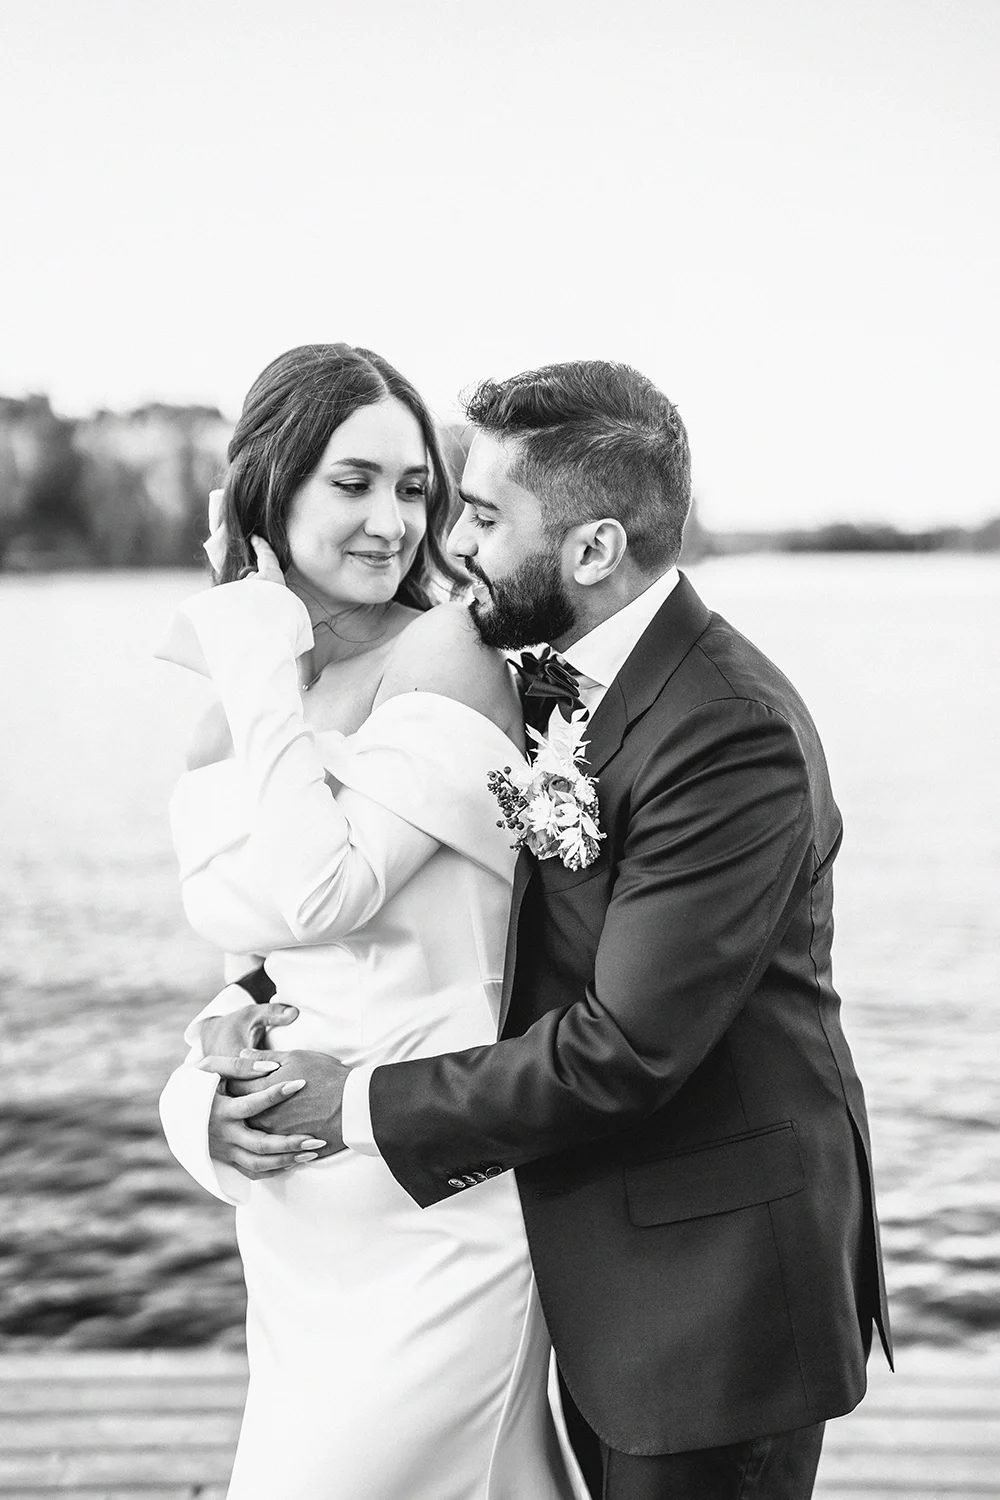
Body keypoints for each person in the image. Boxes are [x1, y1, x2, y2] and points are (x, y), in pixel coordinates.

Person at [222, 360, 894, 1500]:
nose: (453, 542)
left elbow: (624, 1049)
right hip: (595, 1279)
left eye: (481, 516)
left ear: (590, 553)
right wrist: (242, 1037)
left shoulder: (729, 733)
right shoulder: (557, 681)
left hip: (710, 1299)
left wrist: (357, 1101)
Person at [156, 343, 585, 1500]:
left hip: (437, 1202)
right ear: (269, 486)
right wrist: (205, 1105)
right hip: (305, 1224)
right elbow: (248, 978)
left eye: (412, 488)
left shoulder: (442, 651)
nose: (393, 521)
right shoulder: (225, 721)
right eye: (352, 483)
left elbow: (321, 893)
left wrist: (249, 651)